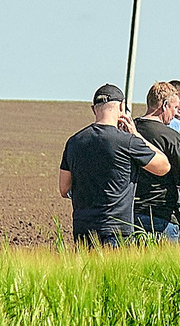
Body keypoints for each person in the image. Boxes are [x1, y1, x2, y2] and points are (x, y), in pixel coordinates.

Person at [58, 83, 171, 246]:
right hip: (117, 230)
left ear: (93, 109)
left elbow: (64, 188)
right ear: (122, 106)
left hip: (83, 227)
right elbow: (163, 166)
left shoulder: (74, 142)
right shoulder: (127, 141)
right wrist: (136, 134)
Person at [132, 82, 180, 242]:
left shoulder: (128, 131)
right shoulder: (171, 138)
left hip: (129, 217)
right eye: (174, 107)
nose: (176, 112)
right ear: (164, 105)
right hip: (162, 219)